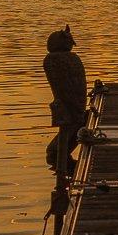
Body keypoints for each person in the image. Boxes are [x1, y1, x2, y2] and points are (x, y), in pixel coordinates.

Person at [42, 26, 87, 179]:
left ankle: (63, 175)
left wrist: (73, 108)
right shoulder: (73, 58)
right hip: (72, 106)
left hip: (68, 106)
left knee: (54, 153)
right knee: (55, 151)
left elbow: (64, 88)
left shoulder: (52, 60)